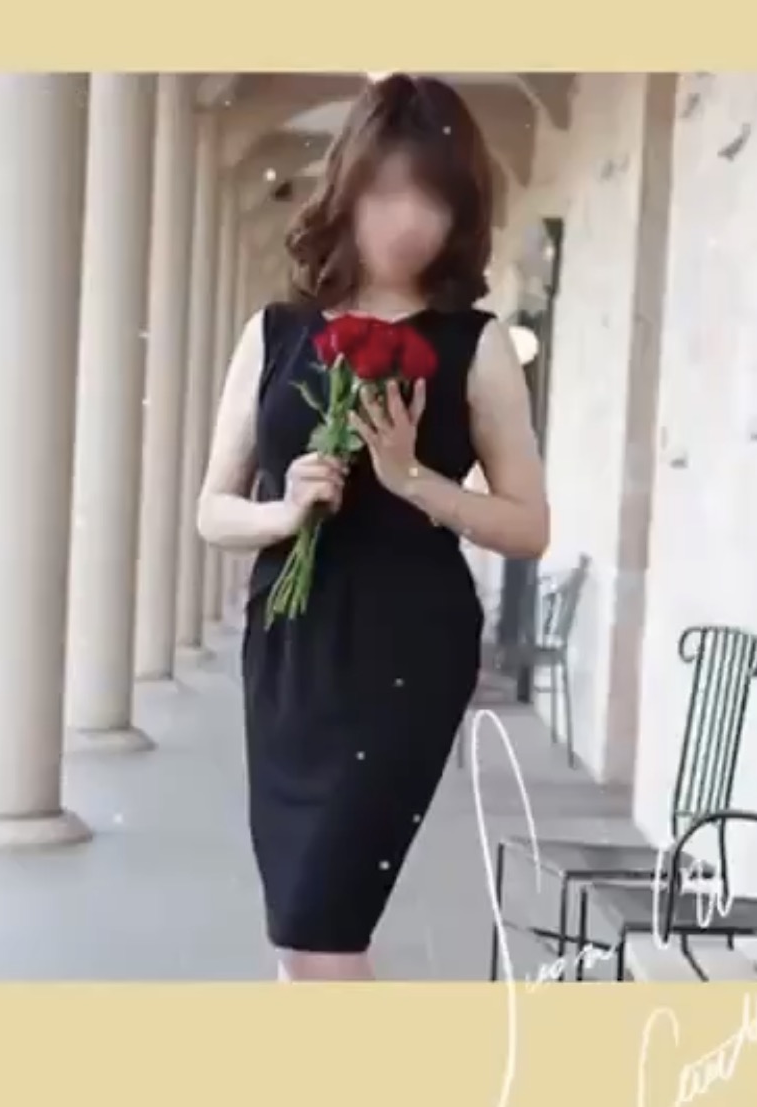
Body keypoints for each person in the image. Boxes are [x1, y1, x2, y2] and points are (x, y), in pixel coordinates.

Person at [197, 73, 550, 981]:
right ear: (347, 189)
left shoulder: (476, 344)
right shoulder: (275, 333)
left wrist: (411, 479)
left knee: (325, 927)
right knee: (298, 931)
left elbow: (528, 528)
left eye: (433, 196)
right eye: (387, 190)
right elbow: (212, 510)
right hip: (289, 650)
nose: (408, 219)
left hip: (408, 653)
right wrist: (285, 510)